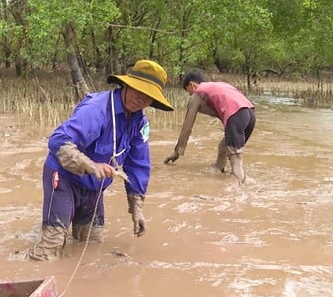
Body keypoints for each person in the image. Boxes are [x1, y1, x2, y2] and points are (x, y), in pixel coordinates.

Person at [27, 59, 174, 261]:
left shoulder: (140, 123)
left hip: (94, 187)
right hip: (64, 178)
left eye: (148, 97)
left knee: (92, 244)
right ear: (126, 85)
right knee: (52, 244)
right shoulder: (97, 109)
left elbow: (138, 164)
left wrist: (137, 208)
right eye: (138, 91)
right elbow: (58, 141)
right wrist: (90, 165)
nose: (142, 100)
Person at [163, 69, 256, 184]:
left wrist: (177, 151)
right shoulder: (218, 86)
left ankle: (242, 190)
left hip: (235, 115)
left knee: (236, 160)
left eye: (189, 92)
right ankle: (219, 171)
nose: (190, 96)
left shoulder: (197, 94)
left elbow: (187, 127)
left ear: (192, 85)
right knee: (223, 147)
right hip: (250, 114)